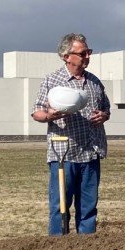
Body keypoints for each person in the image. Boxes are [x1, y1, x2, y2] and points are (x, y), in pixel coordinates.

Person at [31, 33, 111, 235]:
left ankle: (86, 246)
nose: (87, 56)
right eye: (82, 53)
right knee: (60, 206)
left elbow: (106, 108)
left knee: (88, 206)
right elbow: (37, 113)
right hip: (63, 155)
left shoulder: (94, 82)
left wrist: (103, 116)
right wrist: (50, 115)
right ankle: (59, 247)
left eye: (88, 52)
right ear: (66, 56)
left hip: (91, 152)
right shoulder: (52, 81)